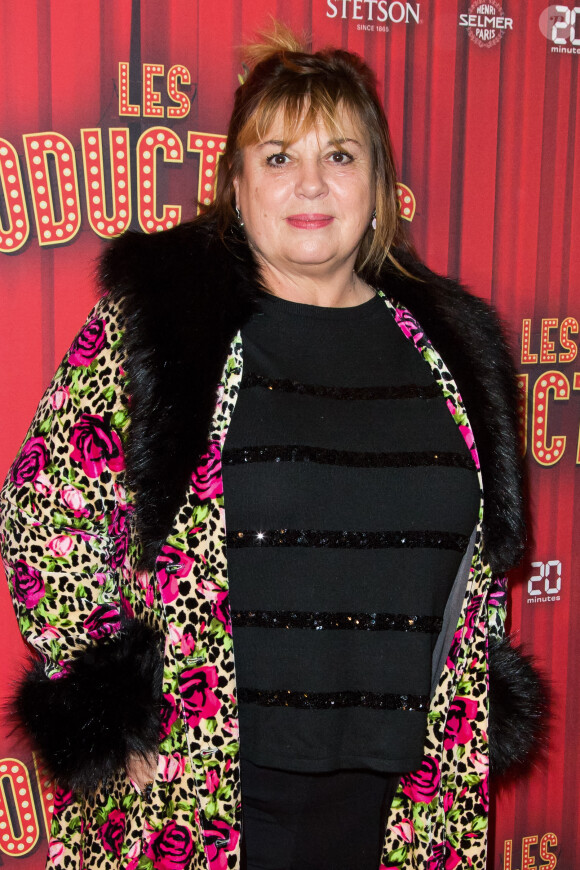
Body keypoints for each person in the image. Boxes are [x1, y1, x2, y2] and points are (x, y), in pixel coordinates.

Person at [0, 26, 542, 870]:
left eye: (341, 155)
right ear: (237, 184)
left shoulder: (452, 349)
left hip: (402, 795)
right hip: (209, 787)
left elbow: (477, 574)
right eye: (279, 157)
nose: (312, 184)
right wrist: (107, 705)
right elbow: (46, 511)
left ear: (379, 181)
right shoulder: (166, 330)